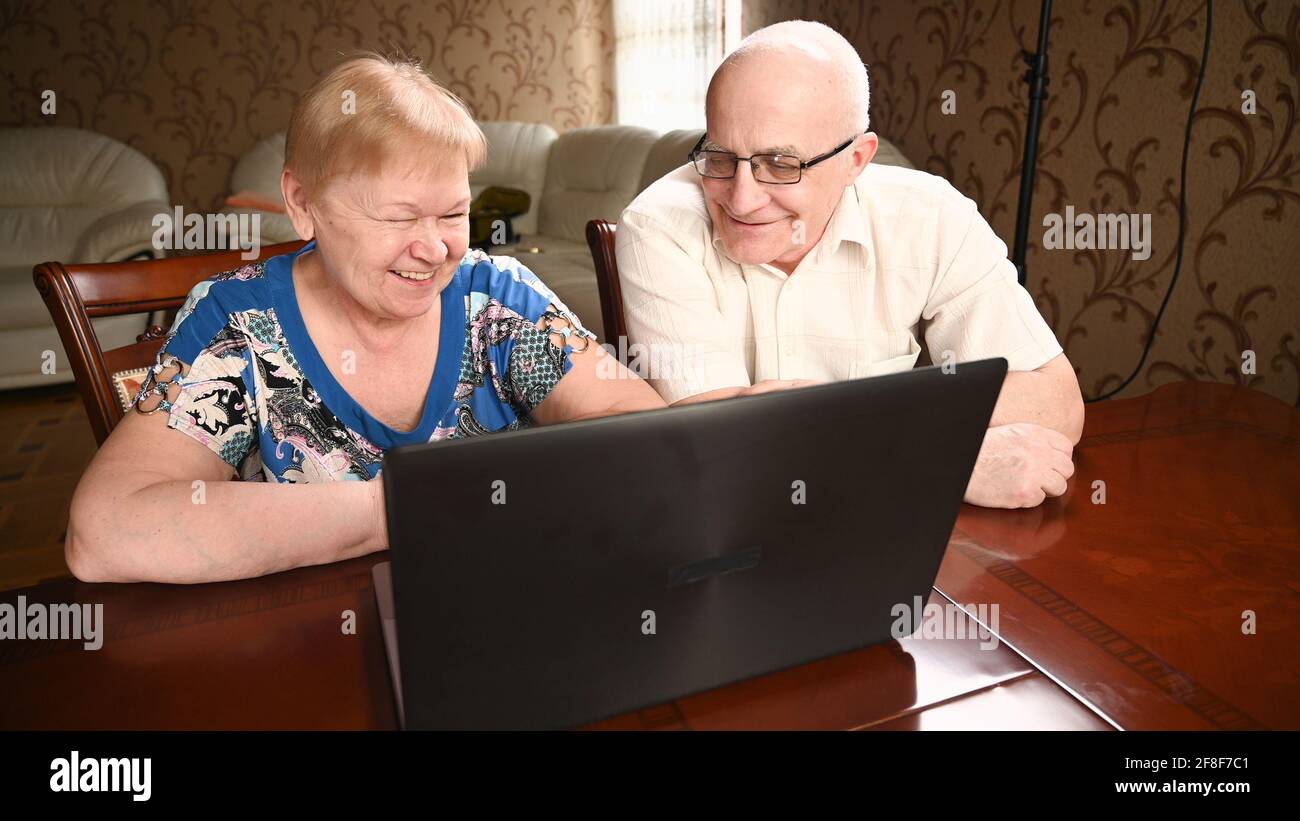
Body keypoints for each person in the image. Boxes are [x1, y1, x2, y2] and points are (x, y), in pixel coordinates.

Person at [66, 54, 665, 584]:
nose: (435, 251)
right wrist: (402, 508)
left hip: (500, 614)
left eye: (454, 214)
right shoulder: (237, 323)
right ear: (303, 205)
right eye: (401, 219)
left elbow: (646, 433)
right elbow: (106, 531)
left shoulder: (498, 298)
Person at [616, 20, 1083, 509]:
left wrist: (848, 431)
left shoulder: (932, 216)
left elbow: (1057, 402)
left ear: (857, 160)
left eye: (780, 164)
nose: (742, 198)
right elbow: (717, 449)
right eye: (720, 156)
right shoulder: (658, 225)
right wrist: (941, 456)